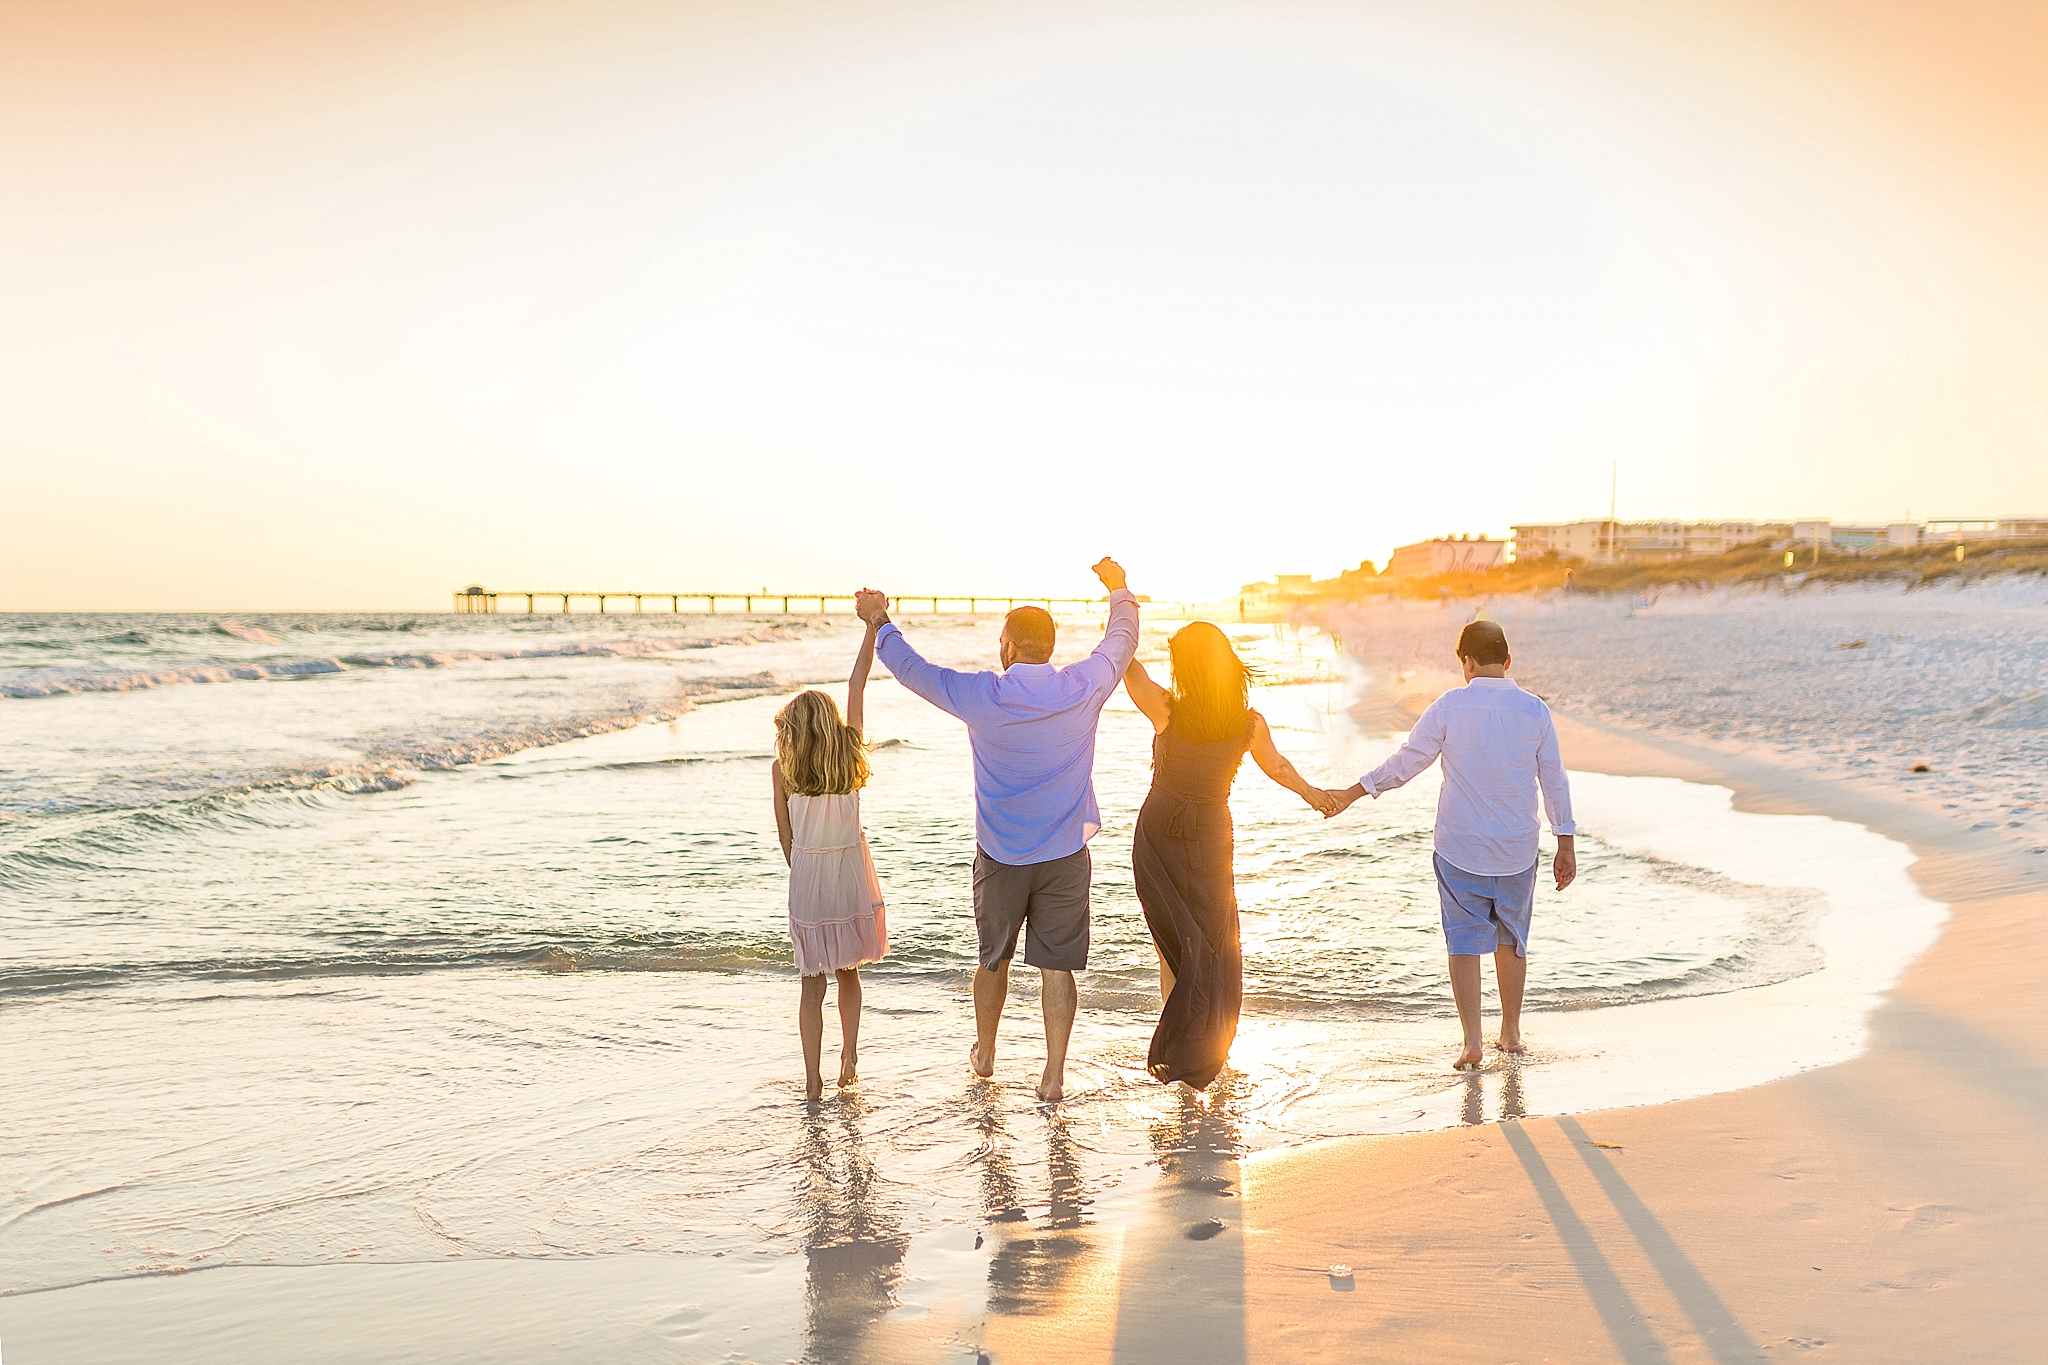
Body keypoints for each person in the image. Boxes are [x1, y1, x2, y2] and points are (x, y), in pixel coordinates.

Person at [855, 559, 1138, 1102]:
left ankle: (985, 1054)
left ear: (1007, 647)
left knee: (993, 957)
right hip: (1064, 853)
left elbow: (915, 672)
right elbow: (1121, 639)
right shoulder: (1083, 686)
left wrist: (879, 621)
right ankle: (1053, 1073)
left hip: (1001, 853)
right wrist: (1118, 588)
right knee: (1057, 968)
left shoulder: (983, 694)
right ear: (1050, 647)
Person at [1324, 620, 1577, 1070]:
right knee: (1512, 941)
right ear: (1508, 661)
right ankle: (1512, 1033)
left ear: (1468, 663)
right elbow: (1553, 780)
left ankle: (1473, 1043)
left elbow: (1407, 763)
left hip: (1460, 849)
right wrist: (1565, 842)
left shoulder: (1449, 707)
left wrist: (1355, 791)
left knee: (1462, 944)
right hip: (1517, 850)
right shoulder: (1535, 710)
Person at [1122, 623, 1336, 1089]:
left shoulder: (1168, 710)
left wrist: (1120, 601)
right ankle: (1208, 1046)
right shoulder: (1247, 722)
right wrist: (1311, 793)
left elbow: (1126, 667)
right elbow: (1276, 766)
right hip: (1211, 837)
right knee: (1217, 943)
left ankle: (1182, 1049)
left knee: (1174, 942)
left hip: (1160, 831)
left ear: (1187, 669)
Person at [771, 614, 888, 1101]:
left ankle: (811, 1079)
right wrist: (872, 628)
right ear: (829, 720)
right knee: (849, 972)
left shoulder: (783, 768)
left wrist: (804, 873)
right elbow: (858, 678)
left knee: (809, 984)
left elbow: (785, 838)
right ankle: (851, 1056)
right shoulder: (849, 751)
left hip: (809, 876)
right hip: (848, 873)